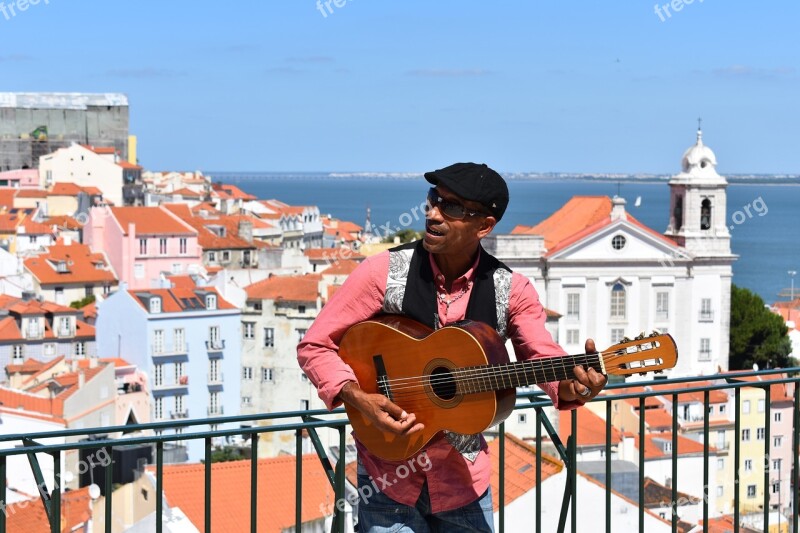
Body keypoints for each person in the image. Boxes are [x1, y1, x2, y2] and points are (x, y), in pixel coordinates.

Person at [297, 162, 607, 532]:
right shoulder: (385, 272)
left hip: (464, 485)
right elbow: (315, 344)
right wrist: (357, 397)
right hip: (386, 481)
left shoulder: (512, 290)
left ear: (485, 226)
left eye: (452, 207)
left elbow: (541, 355)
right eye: (433, 200)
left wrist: (570, 385)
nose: (432, 214)